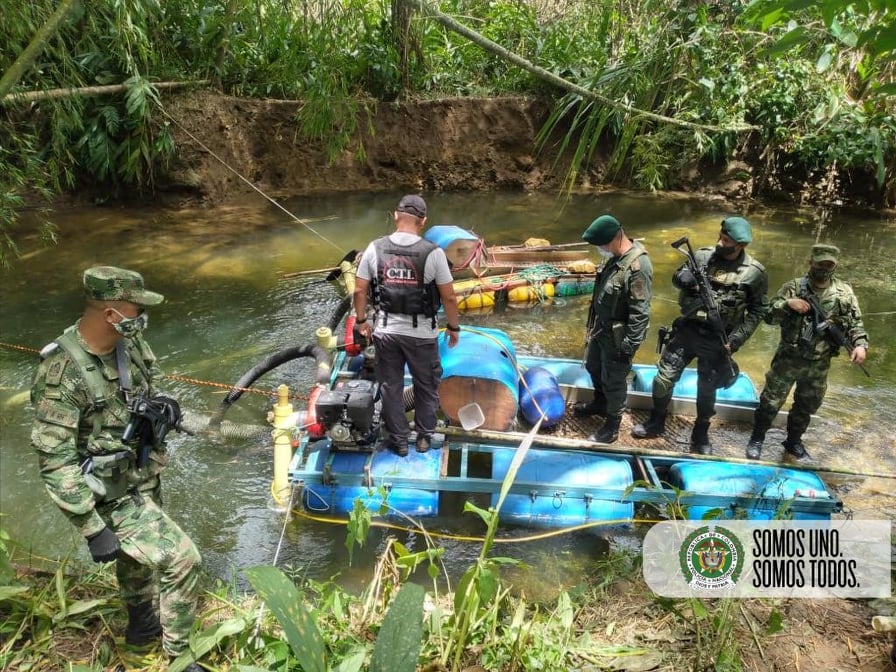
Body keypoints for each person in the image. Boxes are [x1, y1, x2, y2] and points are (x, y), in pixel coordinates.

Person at [30, 267, 203, 670]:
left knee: (138, 562)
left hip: (140, 471)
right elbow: (55, 461)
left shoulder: (131, 341)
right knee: (183, 559)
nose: (142, 316)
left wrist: (165, 405)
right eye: (135, 308)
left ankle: (142, 631)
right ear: (110, 314)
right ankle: (179, 659)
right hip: (106, 492)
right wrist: (92, 529)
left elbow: (152, 378)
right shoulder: (62, 373)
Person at [631, 217, 769, 454]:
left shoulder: (754, 273)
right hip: (687, 330)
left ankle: (701, 432)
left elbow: (758, 311)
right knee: (663, 379)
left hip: (718, 340)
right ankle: (656, 421)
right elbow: (677, 278)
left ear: (741, 245)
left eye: (726, 241)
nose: (719, 242)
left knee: (707, 390)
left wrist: (735, 340)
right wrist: (683, 279)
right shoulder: (703, 256)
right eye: (720, 236)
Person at [353, 195, 460, 456]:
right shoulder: (433, 253)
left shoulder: (374, 248)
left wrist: (362, 321)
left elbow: (359, 290)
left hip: (386, 333)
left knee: (391, 387)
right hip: (422, 335)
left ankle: (399, 441)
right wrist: (454, 327)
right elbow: (449, 296)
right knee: (426, 386)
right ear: (423, 221)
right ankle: (424, 437)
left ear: (396, 215)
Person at [746, 244, 868, 461]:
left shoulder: (844, 293)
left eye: (828, 265)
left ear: (835, 266)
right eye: (820, 263)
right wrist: (787, 304)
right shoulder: (793, 287)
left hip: (819, 363)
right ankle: (757, 438)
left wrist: (860, 345)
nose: (824, 268)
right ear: (810, 262)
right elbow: (768, 317)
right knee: (771, 401)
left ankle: (793, 441)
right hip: (788, 358)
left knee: (807, 404)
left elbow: (855, 324)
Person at [573, 214, 653, 443]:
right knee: (593, 366)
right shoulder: (616, 258)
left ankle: (611, 427)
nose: (601, 249)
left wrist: (628, 346)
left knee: (614, 380)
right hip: (602, 329)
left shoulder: (638, 267)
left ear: (617, 237)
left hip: (619, 337)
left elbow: (640, 311)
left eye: (602, 245)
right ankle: (600, 402)